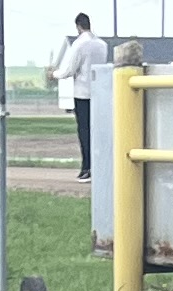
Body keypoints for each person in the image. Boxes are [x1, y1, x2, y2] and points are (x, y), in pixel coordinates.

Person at [52, 13, 105, 177]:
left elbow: (70, 69)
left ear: (78, 26)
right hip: (99, 92)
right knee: (97, 131)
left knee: (84, 130)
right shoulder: (101, 45)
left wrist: (55, 74)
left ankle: (86, 167)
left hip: (82, 93)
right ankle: (99, 165)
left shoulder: (79, 44)